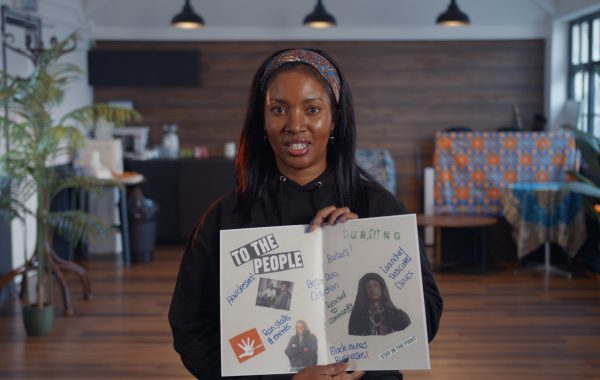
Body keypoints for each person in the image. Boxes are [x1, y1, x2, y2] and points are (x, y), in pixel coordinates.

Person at [168, 48, 443, 380]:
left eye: (312, 109)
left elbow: (425, 317)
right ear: (262, 120)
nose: (295, 125)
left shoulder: (379, 209)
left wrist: (365, 253)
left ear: (335, 118)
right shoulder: (225, 218)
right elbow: (190, 328)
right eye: (278, 109)